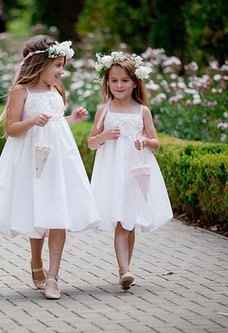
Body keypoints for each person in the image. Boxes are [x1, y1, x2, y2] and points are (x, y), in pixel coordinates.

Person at [0, 36, 100, 299]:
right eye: (57, 65)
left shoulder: (56, 89)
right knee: (39, 212)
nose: (61, 71)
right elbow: (11, 129)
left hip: (59, 158)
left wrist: (72, 118)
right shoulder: (20, 91)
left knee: (58, 213)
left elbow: (56, 123)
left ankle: (53, 277)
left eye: (62, 65)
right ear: (39, 63)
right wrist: (32, 121)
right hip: (31, 159)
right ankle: (36, 261)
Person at [88, 52, 173, 290]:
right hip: (113, 171)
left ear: (135, 82)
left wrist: (144, 142)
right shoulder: (104, 109)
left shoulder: (142, 111)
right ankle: (124, 270)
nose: (119, 85)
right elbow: (91, 142)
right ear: (107, 83)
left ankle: (125, 269)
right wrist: (103, 136)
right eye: (114, 80)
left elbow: (156, 142)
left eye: (124, 80)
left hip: (135, 170)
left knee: (129, 221)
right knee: (121, 221)